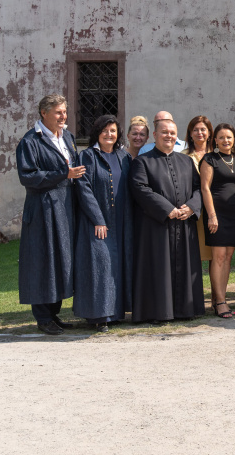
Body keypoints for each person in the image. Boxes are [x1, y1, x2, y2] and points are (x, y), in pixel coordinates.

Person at [16, 94, 83, 335]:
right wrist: (63, 174)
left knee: (62, 260)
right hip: (43, 207)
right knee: (43, 260)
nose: (63, 116)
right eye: (58, 112)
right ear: (43, 113)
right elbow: (28, 177)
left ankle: (53, 313)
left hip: (65, 206)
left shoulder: (68, 137)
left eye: (65, 112)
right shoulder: (31, 141)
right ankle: (43, 317)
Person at [130, 119, 204, 323]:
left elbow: (199, 189)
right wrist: (167, 209)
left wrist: (191, 207)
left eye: (172, 133)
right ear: (154, 135)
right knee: (158, 267)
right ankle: (158, 312)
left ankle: (185, 309)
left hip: (184, 223)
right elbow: (140, 188)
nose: (169, 136)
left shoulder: (187, 161)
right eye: (164, 132)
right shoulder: (142, 161)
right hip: (156, 226)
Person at [73, 115, 134, 332]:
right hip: (97, 221)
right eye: (105, 130)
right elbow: (83, 188)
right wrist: (97, 219)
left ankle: (115, 313)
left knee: (118, 266)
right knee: (100, 266)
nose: (109, 134)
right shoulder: (87, 156)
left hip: (122, 220)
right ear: (97, 132)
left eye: (113, 131)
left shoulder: (123, 156)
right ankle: (98, 315)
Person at [200, 123, 235, 319]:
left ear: (234, 139)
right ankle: (219, 302)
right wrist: (212, 216)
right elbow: (205, 188)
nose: (225, 141)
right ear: (215, 140)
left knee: (228, 257)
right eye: (221, 137)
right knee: (218, 257)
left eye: (229, 137)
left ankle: (222, 297)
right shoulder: (209, 159)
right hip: (217, 216)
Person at [183, 116, 214, 264]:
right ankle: (194, 288)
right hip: (193, 209)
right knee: (193, 253)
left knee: (216, 255)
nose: (199, 133)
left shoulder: (218, 154)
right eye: (195, 130)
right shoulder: (182, 156)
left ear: (209, 133)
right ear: (190, 133)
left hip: (215, 208)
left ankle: (217, 288)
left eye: (203, 129)